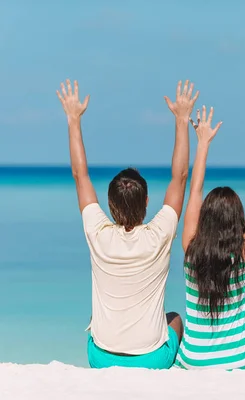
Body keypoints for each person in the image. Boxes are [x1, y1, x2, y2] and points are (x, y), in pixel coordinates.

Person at [56, 79, 199, 369]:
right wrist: (182, 120)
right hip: (153, 360)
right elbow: (180, 177)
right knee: (175, 319)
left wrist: (73, 120)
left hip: (100, 358)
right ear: (147, 203)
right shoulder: (159, 234)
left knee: (95, 320)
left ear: (109, 206)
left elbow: (79, 175)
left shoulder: (97, 233)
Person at [174, 105, 245, 370]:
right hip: (243, 361)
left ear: (205, 219)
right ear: (238, 222)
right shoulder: (243, 254)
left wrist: (202, 144)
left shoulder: (190, 251)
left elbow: (195, 191)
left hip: (195, 361)